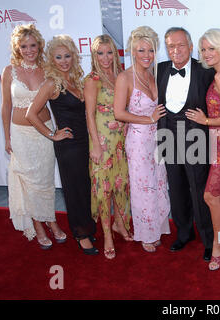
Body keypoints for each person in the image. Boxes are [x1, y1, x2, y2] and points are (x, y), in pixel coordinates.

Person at [26, 34, 98, 255]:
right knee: (74, 190)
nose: (64, 61)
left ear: (74, 57)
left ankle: (87, 226)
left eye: (67, 56)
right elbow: (31, 114)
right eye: (59, 57)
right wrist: (52, 134)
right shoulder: (51, 83)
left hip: (84, 141)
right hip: (68, 145)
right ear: (52, 59)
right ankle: (81, 234)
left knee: (85, 188)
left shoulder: (76, 80)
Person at [1, 24, 66, 249]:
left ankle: (52, 220)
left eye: (32, 45)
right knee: (30, 183)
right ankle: (39, 224)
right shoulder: (10, 71)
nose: (29, 50)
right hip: (20, 135)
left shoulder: (47, 69)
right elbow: (6, 106)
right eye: (23, 46)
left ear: (39, 45)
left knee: (45, 182)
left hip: (44, 132)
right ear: (17, 48)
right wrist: (7, 138)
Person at [157, 27, 215, 261]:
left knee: (199, 189)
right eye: (171, 46)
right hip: (167, 133)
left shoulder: (205, 70)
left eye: (181, 45)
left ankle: (209, 239)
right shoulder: (159, 69)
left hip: (195, 135)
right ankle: (184, 232)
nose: (176, 50)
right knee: (177, 187)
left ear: (191, 47)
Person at [186, 28, 220, 271]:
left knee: (210, 196)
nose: (206, 54)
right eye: (203, 49)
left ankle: (217, 245)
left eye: (211, 48)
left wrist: (204, 120)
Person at [114, 26, 170, 253]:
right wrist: (148, 118)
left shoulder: (154, 74)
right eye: (141, 50)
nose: (147, 55)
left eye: (151, 50)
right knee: (142, 187)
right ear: (132, 52)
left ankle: (158, 226)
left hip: (158, 140)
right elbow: (119, 113)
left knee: (158, 184)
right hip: (138, 142)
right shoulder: (125, 77)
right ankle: (146, 233)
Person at [84, 35, 132, 260]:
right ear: (94, 56)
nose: (105, 57)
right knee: (103, 191)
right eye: (100, 53)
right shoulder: (92, 79)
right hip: (102, 143)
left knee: (120, 186)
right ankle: (107, 236)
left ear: (115, 53)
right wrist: (95, 146)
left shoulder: (121, 76)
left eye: (109, 52)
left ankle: (120, 225)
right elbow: (90, 115)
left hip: (121, 143)